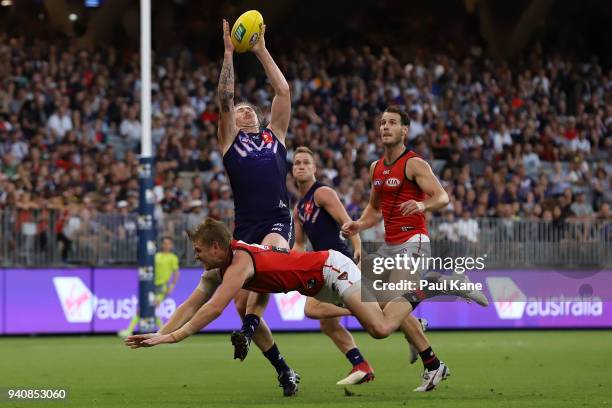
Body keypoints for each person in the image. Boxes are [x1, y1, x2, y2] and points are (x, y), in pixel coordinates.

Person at [124, 219, 483, 380]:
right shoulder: (224, 266)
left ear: (217, 247)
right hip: (317, 284)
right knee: (380, 318)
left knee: (382, 327)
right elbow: (190, 305)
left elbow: (214, 308)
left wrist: (171, 338)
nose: (197, 256)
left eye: (199, 251)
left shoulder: (239, 262)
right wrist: (160, 333)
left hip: (330, 269)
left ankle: (436, 284)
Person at [342, 105, 487, 392]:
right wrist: (359, 224)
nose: (385, 127)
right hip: (388, 246)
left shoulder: (414, 163)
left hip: (413, 243)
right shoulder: (376, 168)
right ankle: (433, 363)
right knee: (374, 300)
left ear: (404, 130)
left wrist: (421, 204)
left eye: (392, 123)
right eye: (382, 122)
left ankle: (442, 284)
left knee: (389, 311)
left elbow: (442, 197)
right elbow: (374, 209)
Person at [216, 19, 298, 396]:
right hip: (244, 226)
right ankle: (283, 370)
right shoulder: (230, 145)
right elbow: (224, 99)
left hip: (276, 221)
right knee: (238, 300)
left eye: (250, 109)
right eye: (240, 111)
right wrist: (230, 53)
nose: (244, 111)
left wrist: (261, 49)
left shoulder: (275, 138)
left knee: (267, 259)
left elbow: (282, 91)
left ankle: (248, 330)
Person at [292, 146, 374, 385]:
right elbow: (298, 244)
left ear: (315, 168)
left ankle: (396, 317)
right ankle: (361, 365)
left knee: (312, 311)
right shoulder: (298, 208)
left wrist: (358, 245)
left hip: (339, 261)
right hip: (321, 266)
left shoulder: (323, 193)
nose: (301, 166)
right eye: (297, 163)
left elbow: (347, 223)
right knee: (327, 323)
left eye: (306, 162)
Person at [118, 236, 180, 337]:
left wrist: (172, 286)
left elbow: (176, 273)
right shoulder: (157, 256)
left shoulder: (173, 258)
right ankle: (131, 330)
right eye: (164, 243)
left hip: (161, 287)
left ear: (171, 245)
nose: (166, 245)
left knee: (152, 307)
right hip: (151, 286)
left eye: (168, 243)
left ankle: (162, 331)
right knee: (143, 309)